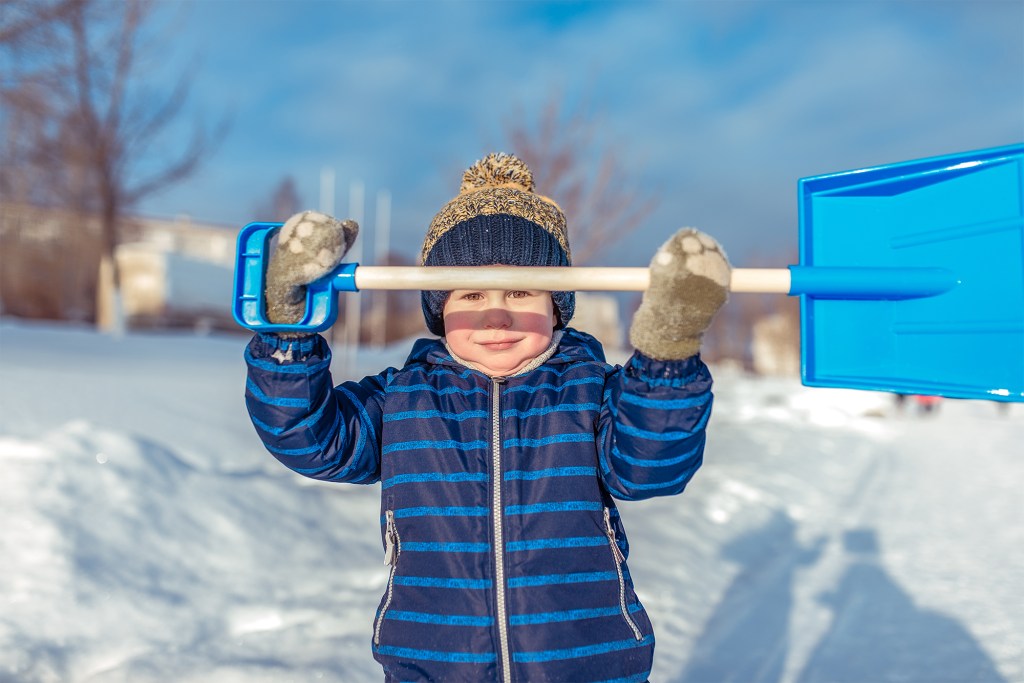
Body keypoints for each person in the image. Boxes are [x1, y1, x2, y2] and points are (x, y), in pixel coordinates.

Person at [244, 153, 731, 682]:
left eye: (520, 291)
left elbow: (651, 465)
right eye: (471, 293)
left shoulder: (591, 393)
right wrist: (288, 332)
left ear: (556, 305)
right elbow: (309, 437)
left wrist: (665, 357)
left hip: (584, 663)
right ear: (440, 309)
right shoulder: (403, 398)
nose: (496, 315)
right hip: (434, 666)